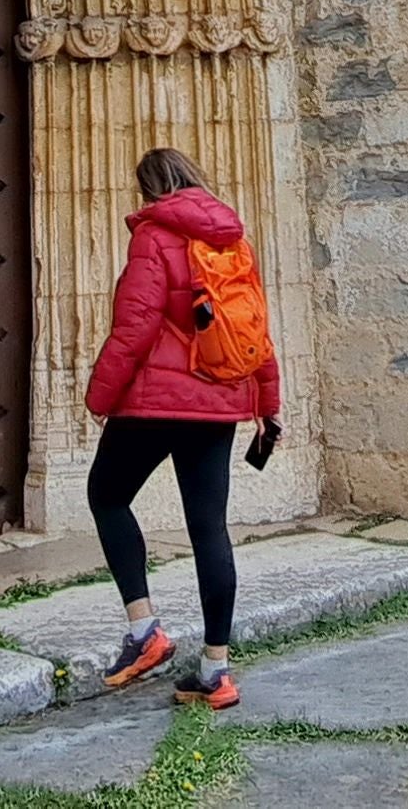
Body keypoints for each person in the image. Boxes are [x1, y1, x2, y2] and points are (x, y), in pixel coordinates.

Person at [82, 145, 283, 710]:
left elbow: (135, 327)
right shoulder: (231, 239)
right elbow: (255, 328)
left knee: (106, 495)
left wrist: (101, 396)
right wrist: (268, 402)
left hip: (155, 403)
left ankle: (145, 632)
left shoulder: (154, 236)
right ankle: (216, 671)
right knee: (209, 529)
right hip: (220, 401)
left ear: (150, 189)